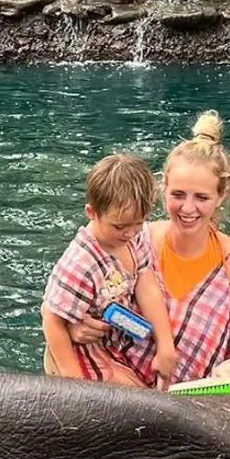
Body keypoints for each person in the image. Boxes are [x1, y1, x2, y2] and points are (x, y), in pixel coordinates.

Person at [70, 112, 230, 387]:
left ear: (221, 196)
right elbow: (67, 295)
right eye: (178, 195)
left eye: (201, 197)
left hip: (185, 404)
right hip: (115, 389)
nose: (187, 208)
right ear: (164, 189)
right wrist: (76, 326)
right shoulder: (133, 238)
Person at [41, 153, 177, 388]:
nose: (130, 233)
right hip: (80, 353)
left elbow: (147, 285)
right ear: (92, 212)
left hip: (113, 342)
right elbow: (53, 321)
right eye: (119, 226)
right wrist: (74, 383)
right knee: (131, 398)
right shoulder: (81, 263)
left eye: (138, 223)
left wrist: (165, 344)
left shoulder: (134, 239)